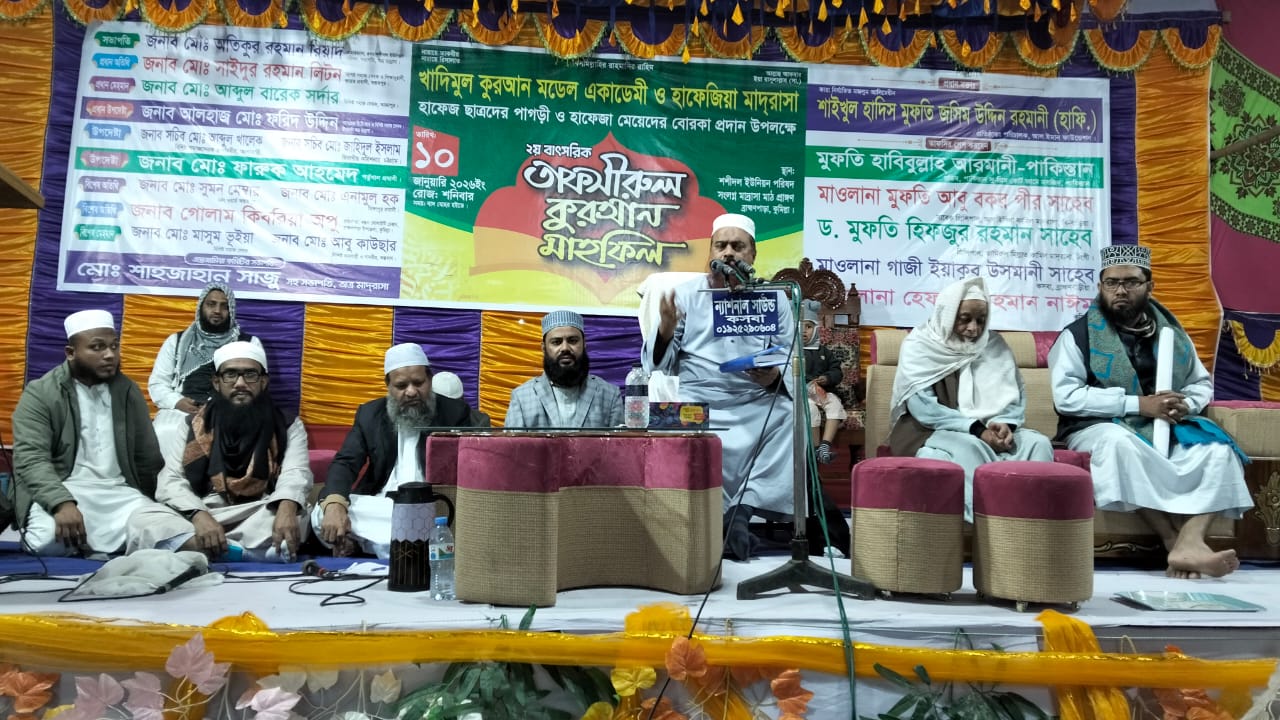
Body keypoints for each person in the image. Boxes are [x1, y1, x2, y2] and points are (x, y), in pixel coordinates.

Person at [1050, 244, 1252, 579]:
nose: (1120, 290)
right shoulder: (1077, 336)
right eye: (1112, 282)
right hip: (1097, 426)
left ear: (1149, 286)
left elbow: (1200, 383)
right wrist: (1138, 405)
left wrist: (1185, 403)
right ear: (1100, 286)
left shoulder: (1173, 334)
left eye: (1131, 282)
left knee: (1220, 451)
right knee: (1119, 444)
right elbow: (1066, 398)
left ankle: (1190, 540)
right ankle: (1173, 541)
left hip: (1166, 422)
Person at [644, 213, 795, 561]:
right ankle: (706, 520)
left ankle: (742, 511)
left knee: (789, 414)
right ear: (710, 251)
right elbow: (657, 365)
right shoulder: (686, 295)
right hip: (698, 400)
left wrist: (774, 377)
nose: (728, 253)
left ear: (753, 255)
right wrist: (665, 329)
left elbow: (790, 356)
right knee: (669, 422)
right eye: (721, 245)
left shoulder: (774, 299)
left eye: (737, 246)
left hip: (754, 399)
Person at [126, 341, 311, 562]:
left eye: (250, 375)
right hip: (203, 509)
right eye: (230, 375)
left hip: (257, 510)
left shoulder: (287, 424)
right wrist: (199, 516)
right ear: (216, 382)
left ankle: (208, 549)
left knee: (300, 514)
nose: (240, 383)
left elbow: (295, 472)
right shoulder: (192, 424)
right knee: (142, 517)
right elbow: (172, 479)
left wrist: (287, 507)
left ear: (263, 381)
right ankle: (245, 553)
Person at [887, 277, 1054, 521]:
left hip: (989, 429)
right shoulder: (920, 346)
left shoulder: (994, 344)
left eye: (981, 320)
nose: (974, 328)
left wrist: (1006, 423)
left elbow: (1014, 398)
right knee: (970, 447)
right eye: (964, 319)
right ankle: (988, 524)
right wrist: (976, 429)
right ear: (947, 314)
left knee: (1038, 444)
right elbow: (924, 409)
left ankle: (1031, 520)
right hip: (931, 430)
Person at [10, 310, 167, 557]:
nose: (110, 355)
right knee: (45, 542)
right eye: (97, 347)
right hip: (65, 489)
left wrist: (151, 502)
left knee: (168, 533)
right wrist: (61, 503)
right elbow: (31, 459)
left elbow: (148, 458)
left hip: (120, 494)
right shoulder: (41, 393)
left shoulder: (128, 392)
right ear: (71, 353)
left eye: (114, 346)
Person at [313, 343, 482, 558]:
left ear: (429, 380)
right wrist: (335, 504)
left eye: (418, 383)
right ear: (389, 387)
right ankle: (403, 546)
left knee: (433, 519)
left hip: (431, 505)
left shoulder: (454, 413)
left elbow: (470, 466)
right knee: (321, 512)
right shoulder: (370, 414)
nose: (411, 392)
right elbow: (346, 462)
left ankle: (370, 544)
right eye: (401, 386)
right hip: (381, 505)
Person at [148, 283, 262, 447]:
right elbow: (158, 383)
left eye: (224, 306)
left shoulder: (249, 344)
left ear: (231, 310)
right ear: (201, 307)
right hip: (182, 409)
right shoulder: (176, 342)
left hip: (232, 408)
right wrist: (177, 402)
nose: (217, 311)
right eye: (211, 304)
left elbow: (257, 385)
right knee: (164, 431)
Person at [503, 310, 624, 428]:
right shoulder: (522, 397)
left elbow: (620, 441)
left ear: (584, 344)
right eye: (556, 342)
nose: (565, 348)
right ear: (544, 348)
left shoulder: (609, 395)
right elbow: (511, 442)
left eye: (573, 341)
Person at [801, 300, 846, 465]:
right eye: (800, 327)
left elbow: (837, 371)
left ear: (816, 329)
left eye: (808, 327)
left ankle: (824, 447)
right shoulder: (792, 352)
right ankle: (815, 449)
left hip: (824, 392)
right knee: (810, 410)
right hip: (802, 395)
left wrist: (827, 378)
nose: (803, 331)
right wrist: (808, 384)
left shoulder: (824, 351)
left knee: (834, 404)